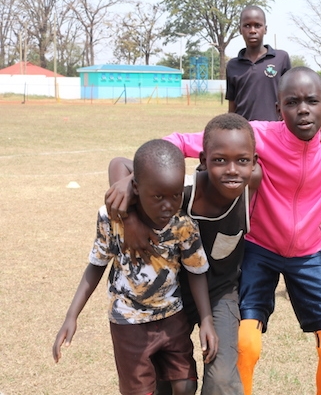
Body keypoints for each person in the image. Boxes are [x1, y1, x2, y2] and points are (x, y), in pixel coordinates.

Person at [162, 67, 321, 395]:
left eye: (312, 101)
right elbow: (177, 142)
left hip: (309, 255)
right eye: (292, 102)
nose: (303, 110)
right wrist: (139, 174)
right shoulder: (259, 135)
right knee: (247, 344)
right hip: (259, 250)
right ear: (278, 109)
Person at [106, 113, 262, 395]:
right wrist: (129, 217)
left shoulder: (251, 185)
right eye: (219, 160)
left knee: (222, 381)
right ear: (203, 161)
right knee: (166, 381)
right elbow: (120, 164)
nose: (232, 170)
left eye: (242, 161)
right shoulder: (181, 193)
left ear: (254, 163)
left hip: (219, 294)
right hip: (171, 297)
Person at [53, 139, 218, 395]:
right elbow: (96, 265)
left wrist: (206, 320)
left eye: (175, 195)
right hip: (128, 323)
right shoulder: (111, 220)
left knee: (186, 385)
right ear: (136, 188)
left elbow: (196, 272)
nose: (168, 205)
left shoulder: (183, 225)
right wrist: (71, 316)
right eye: (158, 197)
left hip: (172, 317)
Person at [226, 6, 291, 121]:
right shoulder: (233, 65)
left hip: (273, 129)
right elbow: (232, 107)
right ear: (240, 29)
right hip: (244, 129)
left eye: (257, 25)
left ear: (265, 29)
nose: (252, 30)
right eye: (247, 26)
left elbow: (292, 96)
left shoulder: (281, 58)